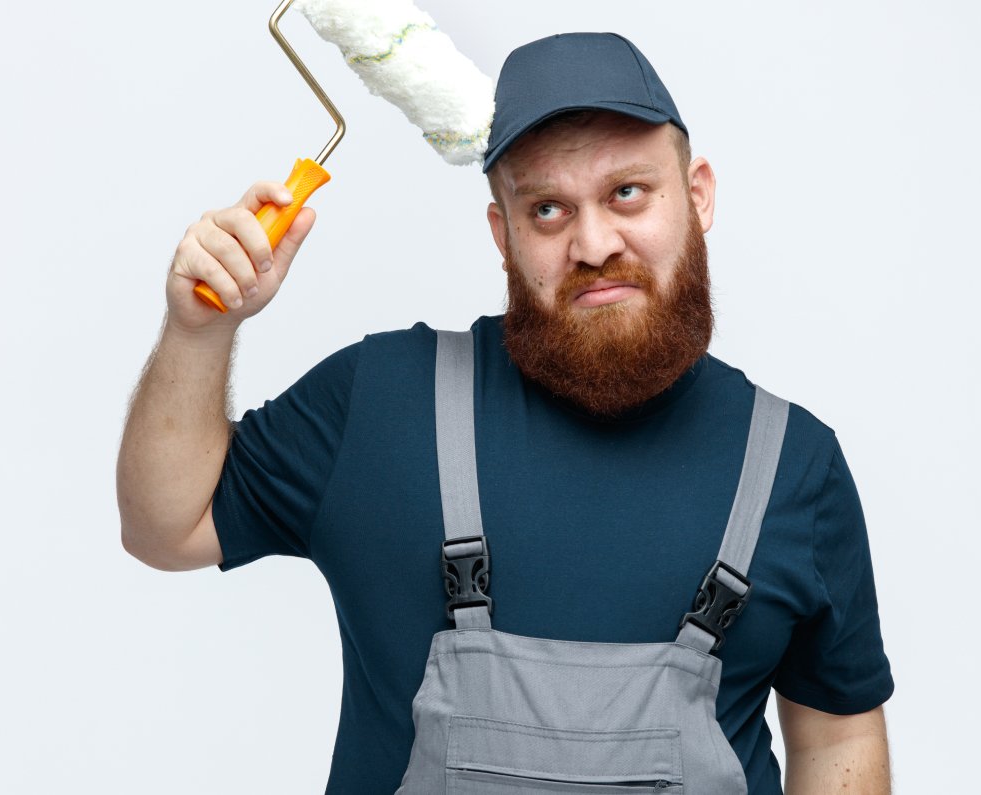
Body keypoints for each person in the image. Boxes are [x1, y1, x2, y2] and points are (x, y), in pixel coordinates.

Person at [117, 31, 892, 795]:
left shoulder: (793, 466)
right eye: (548, 208)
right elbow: (166, 526)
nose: (594, 243)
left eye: (627, 192)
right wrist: (200, 328)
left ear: (697, 196)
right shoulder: (381, 404)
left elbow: (838, 737)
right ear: (504, 233)